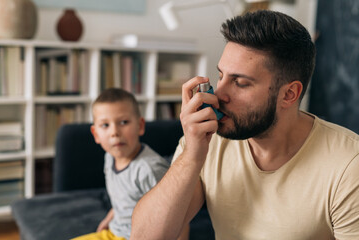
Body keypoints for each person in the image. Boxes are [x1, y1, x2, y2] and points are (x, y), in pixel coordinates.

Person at [130, 10, 359, 240]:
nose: (219, 94)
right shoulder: (206, 141)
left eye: (240, 83)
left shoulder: (349, 166)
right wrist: (191, 156)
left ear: (289, 94)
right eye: (221, 76)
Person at [71, 88, 170, 240]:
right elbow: (123, 201)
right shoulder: (109, 157)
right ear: (96, 134)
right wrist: (109, 218)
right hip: (114, 233)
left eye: (123, 122)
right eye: (105, 125)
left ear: (140, 126)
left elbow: (176, 215)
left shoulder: (149, 169)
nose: (114, 132)